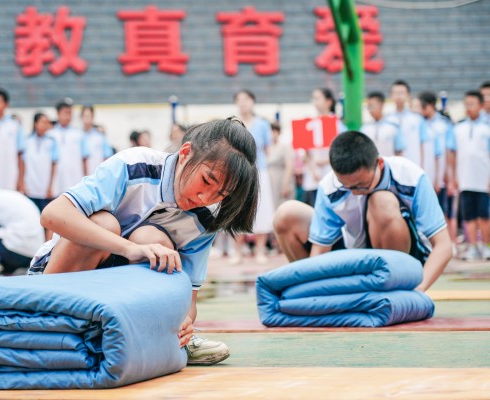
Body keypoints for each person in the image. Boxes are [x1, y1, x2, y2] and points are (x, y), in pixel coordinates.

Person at [28, 118, 259, 365]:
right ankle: (48, 325)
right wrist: (129, 248)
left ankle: (115, 336)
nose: (205, 197)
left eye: (220, 194)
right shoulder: (134, 165)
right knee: (105, 224)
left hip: (118, 306)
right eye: (206, 180)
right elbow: (53, 214)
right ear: (185, 153)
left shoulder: (204, 222)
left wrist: (184, 322)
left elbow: (188, 300)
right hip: (58, 281)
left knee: (155, 241)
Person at [274, 131, 452, 292]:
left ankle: (393, 289)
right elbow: (319, 252)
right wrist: (313, 295)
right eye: (346, 186)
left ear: (379, 164)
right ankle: (316, 292)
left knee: (381, 201)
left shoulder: (410, 176)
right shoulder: (329, 187)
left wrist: (419, 290)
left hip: (406, 260)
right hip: (355, 256)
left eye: (361, 186)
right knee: (286, 214)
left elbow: (443, 245)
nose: (353, 192)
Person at [230, 89, 275, 265]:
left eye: (246, 99)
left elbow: (267, 149)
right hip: (238, 172)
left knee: (262, 211)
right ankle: (238, 253)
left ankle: (260, 251)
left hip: (259, 171)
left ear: (252, 102)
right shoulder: (233, 124)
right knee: (237, 210)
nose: (243, 103)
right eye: (239, 100)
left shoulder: (263, 124)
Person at [452, 90, 490, 261]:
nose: (469, 108)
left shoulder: (487, 128)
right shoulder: (458, 128)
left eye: (473, 104)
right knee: (469, 216)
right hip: (465, 179)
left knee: (484, 215)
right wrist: (454, 177)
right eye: (466, 104)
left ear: (481, 106)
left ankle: (486, 246)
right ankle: (473, 246)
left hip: (484, 179)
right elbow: (452, 154)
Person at [418, 91, 458, 248]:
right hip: (426, 175)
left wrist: (448, 177)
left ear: (428, 106)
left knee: (444, 211)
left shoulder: (444, 125)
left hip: (440, 176)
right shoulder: (421, 124)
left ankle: (449, 243)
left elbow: (448, 152)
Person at [300, 88, 346, 207]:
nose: (315, 101)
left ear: (329, 102)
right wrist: (313, 169)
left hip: (332, 176)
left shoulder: (337, 124)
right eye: (313, 98)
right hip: (312, 178)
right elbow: (305, 153)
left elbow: (344, 150)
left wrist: (325, 161)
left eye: (318, 98)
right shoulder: (309, 124)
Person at [24, 113, 59, 240]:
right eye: (43, 122)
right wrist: (22, 183)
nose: (45, 125)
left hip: (45, 188)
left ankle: (47, 248)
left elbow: (53, 165)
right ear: (35, 123)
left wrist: (50, 186)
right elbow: (23, 164)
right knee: (33, 219)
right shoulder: (27, 141)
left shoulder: (51, 142)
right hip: (31, 186)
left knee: (49, 221)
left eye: (47, 122)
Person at [49, 98, 89, 196]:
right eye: (65, 113)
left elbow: (84, 160)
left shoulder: (79, 134)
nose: (68, 116)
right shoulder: (51, 134)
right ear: (58, 114)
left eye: (70, 113)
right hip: (57, 181)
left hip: (75, 180)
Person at [386, 80, 427, 167]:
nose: (398, 96)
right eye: (396, 93)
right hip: (394, 167)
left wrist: (423, 166)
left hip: (414, 164)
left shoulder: (417, 119)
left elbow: (423, 145)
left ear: (408, 95)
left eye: (401, 93)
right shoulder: (387, 120)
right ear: (391, 95)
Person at [360, 91, 405, 157]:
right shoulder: (365, 128)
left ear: (381, 105)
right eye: (368, 107)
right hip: (371, 166)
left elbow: (399, 151)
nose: (370, 110)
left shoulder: (393, 127)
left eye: (372, 106)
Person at [82, 105, 114, 175]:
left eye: (89, 116)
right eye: (85, 116)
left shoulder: (100, 136)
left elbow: (107, 156)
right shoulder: (78, 136)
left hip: (97, 175)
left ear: (93, 117)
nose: (86, 118)